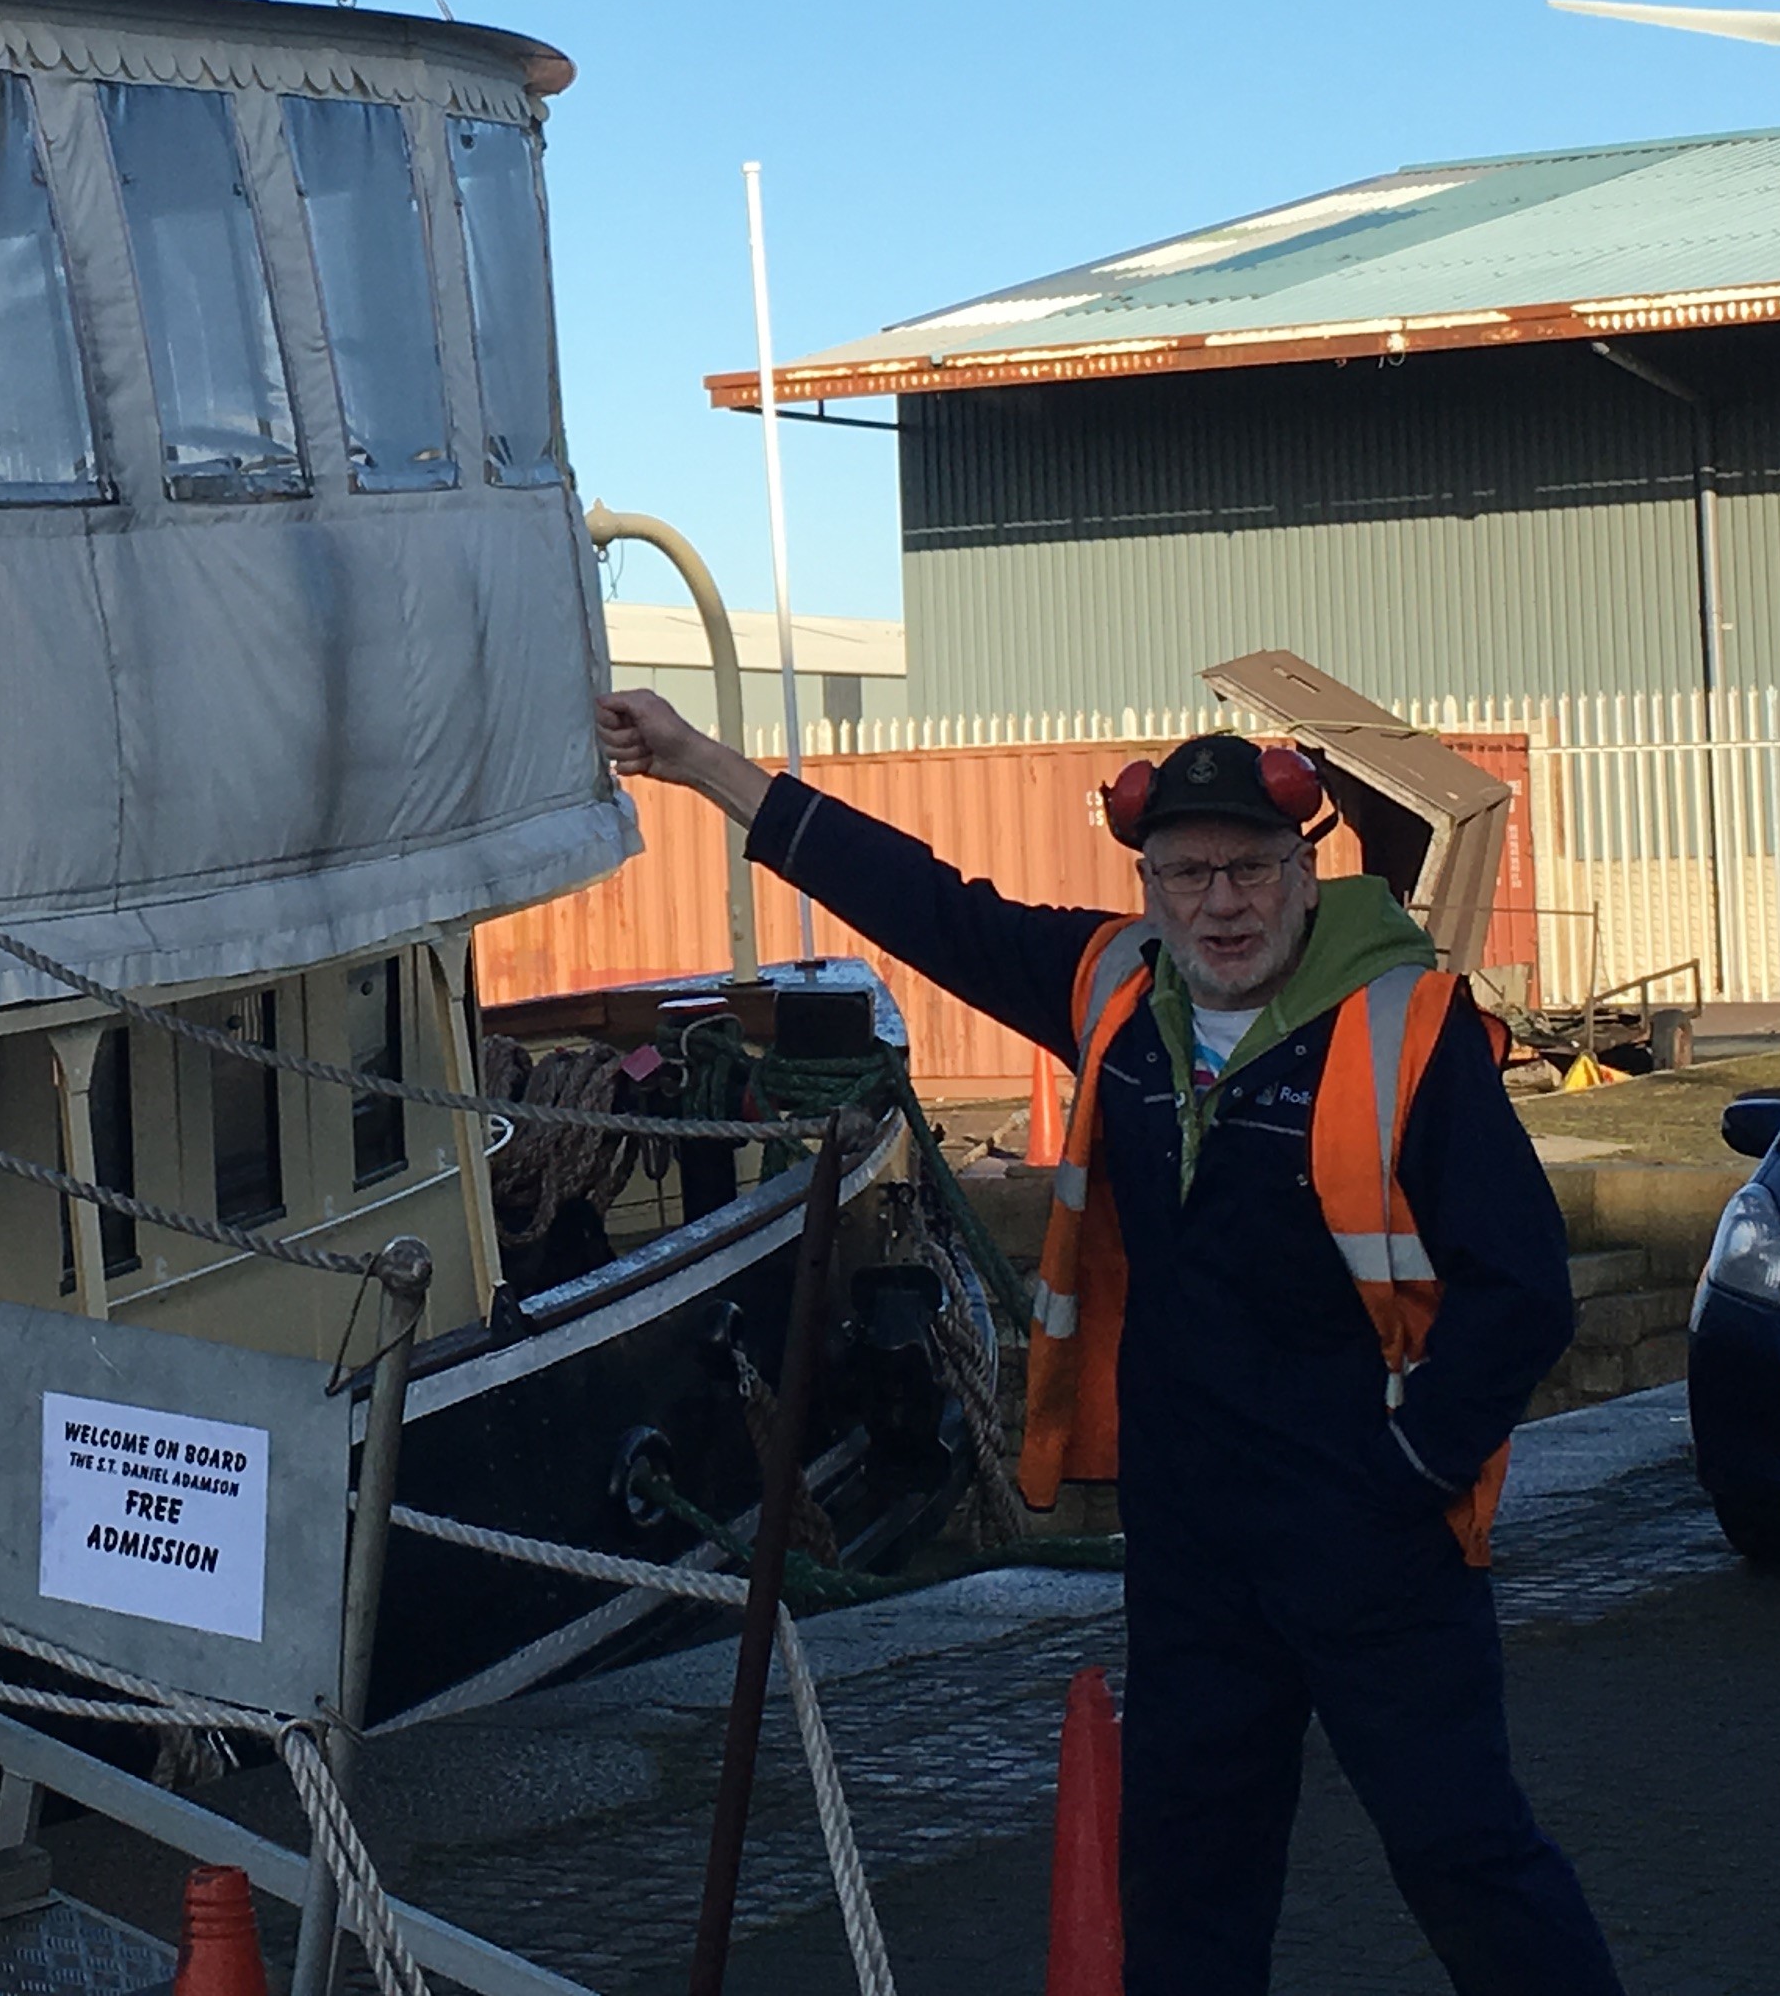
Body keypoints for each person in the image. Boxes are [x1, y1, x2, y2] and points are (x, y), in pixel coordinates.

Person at [599, 693, 1617, 1996]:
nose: (1222, 902)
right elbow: (927, 903)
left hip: (1373, 1548)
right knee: (1188, 1891)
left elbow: (1520, 1290)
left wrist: (1410, 1473)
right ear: (1149, 885)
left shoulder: (1405, 1029)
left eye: (1254, 866)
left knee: (1468, 1863)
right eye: (1187, 873)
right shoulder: (1116, 993)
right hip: (1194, 1550)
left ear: (1309, 872)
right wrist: (697, 764)